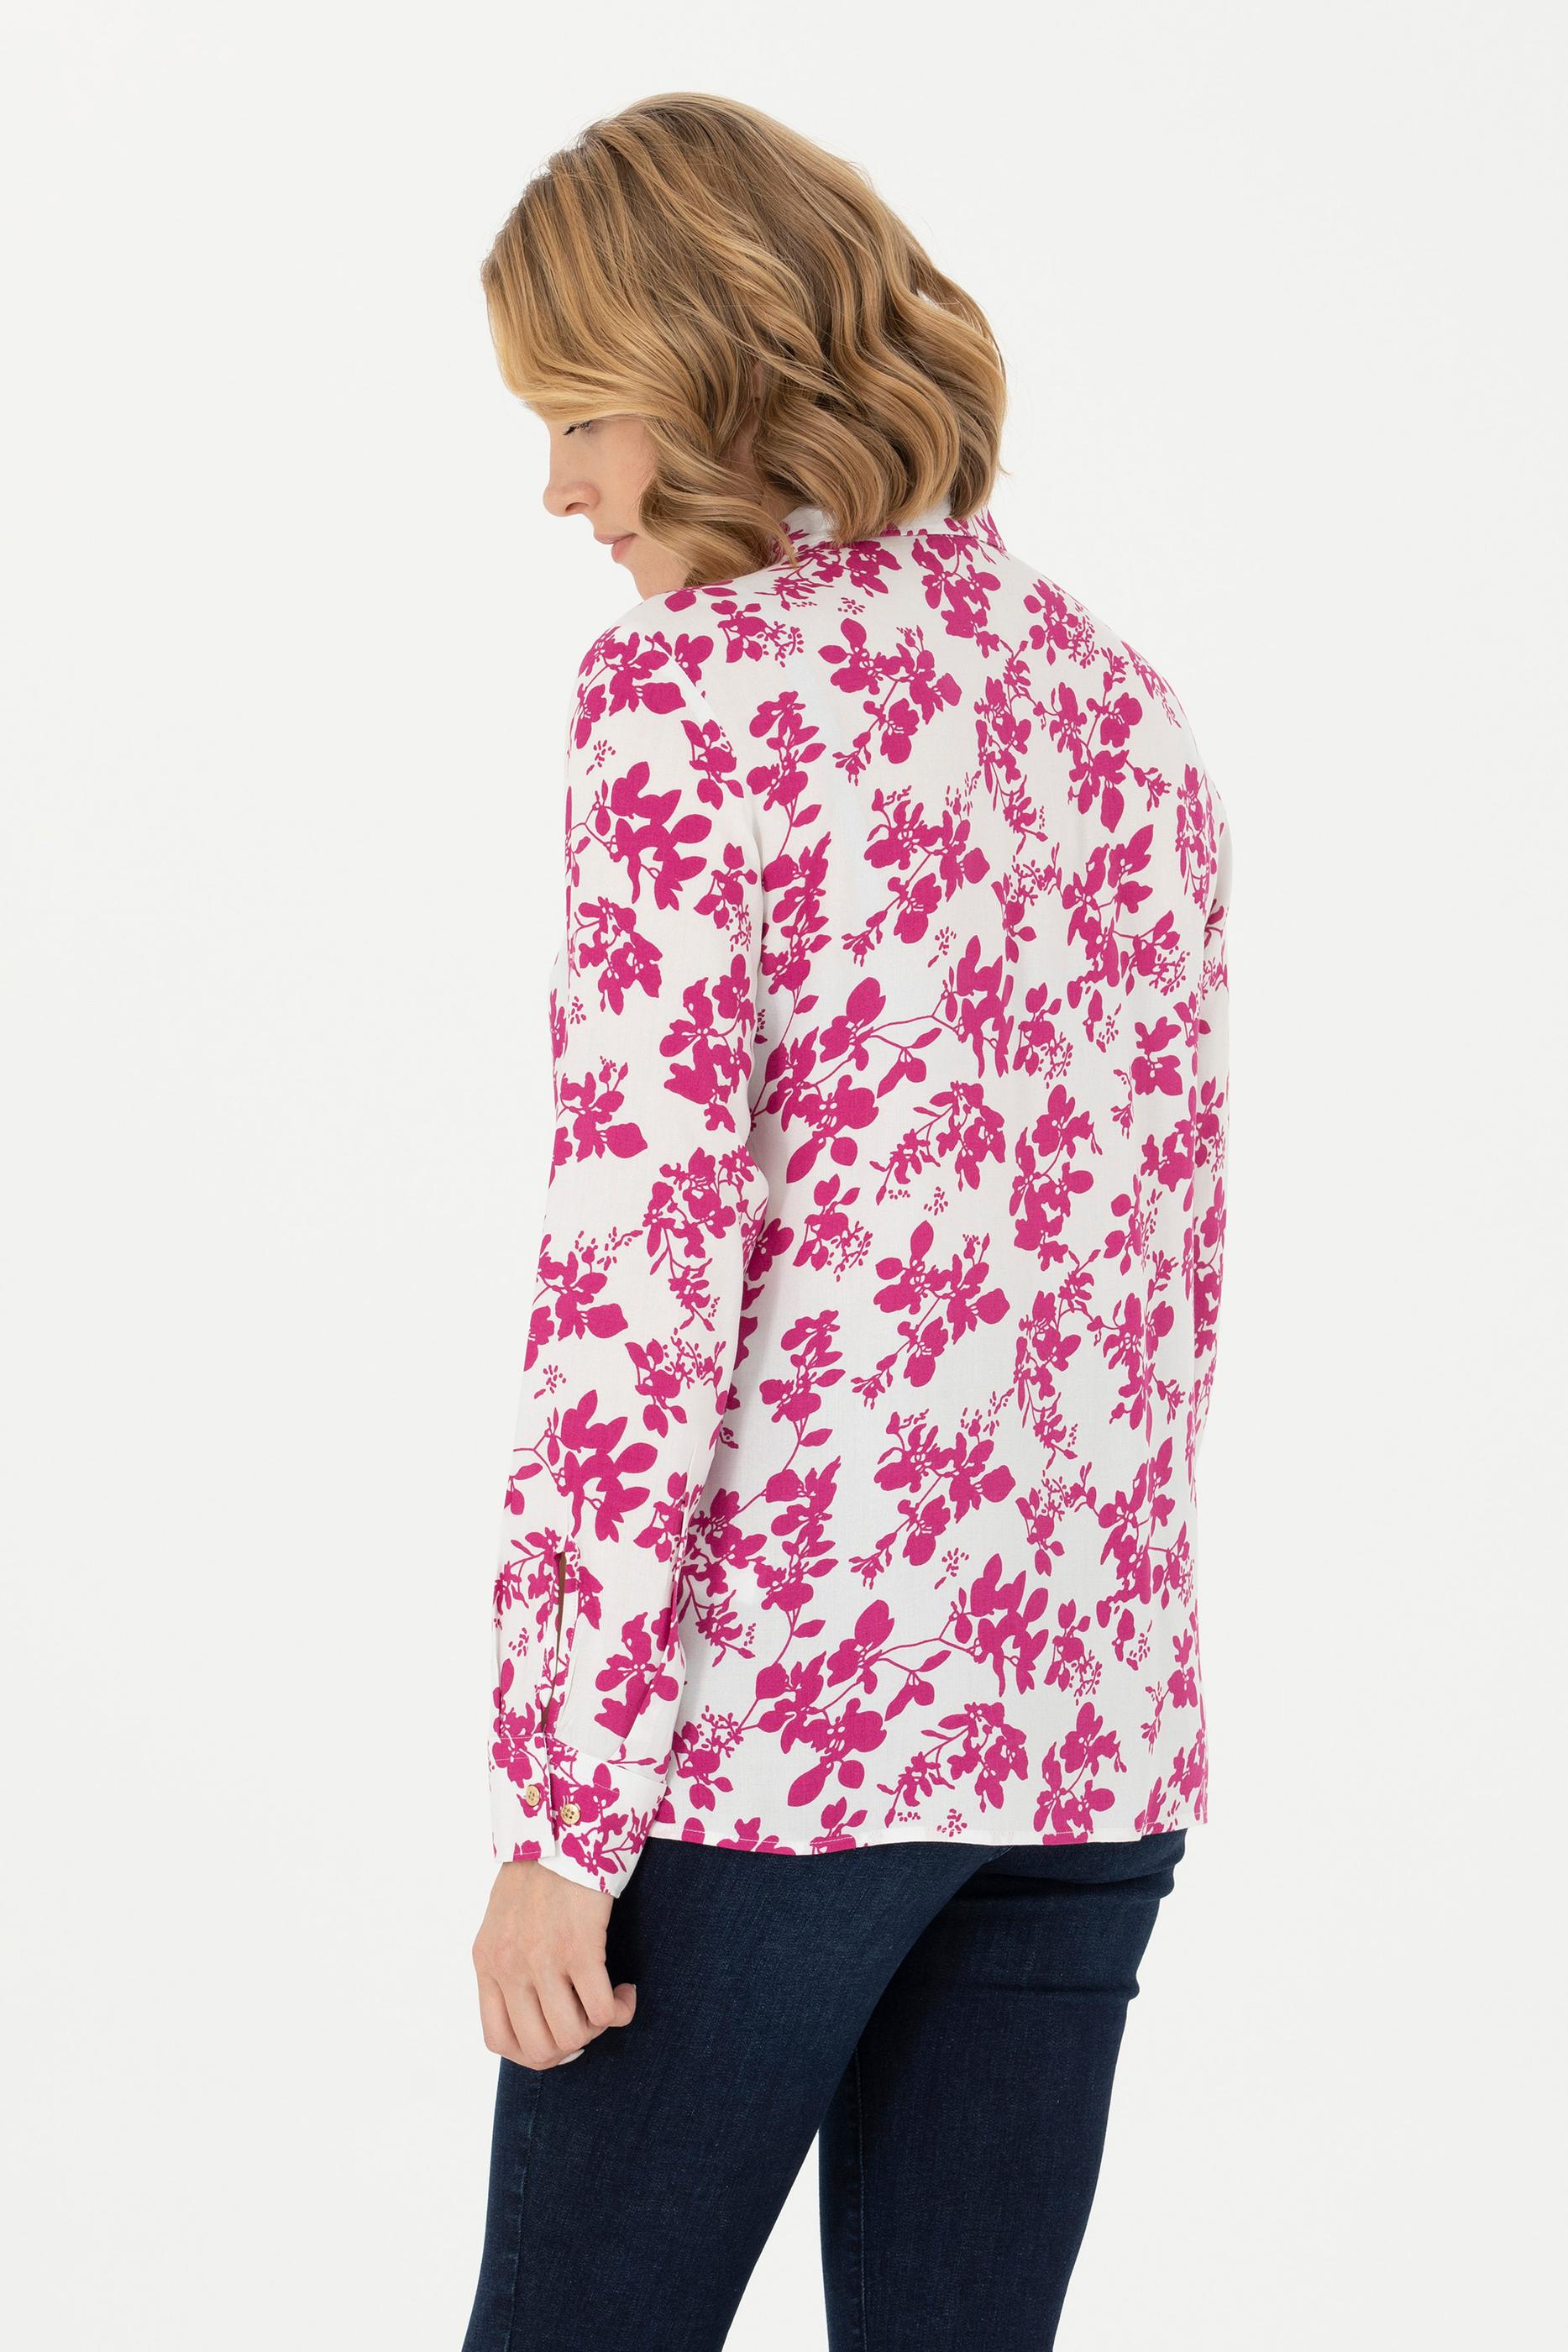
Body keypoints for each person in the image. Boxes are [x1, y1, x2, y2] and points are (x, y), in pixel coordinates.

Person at [462, 92, 1232, 2352]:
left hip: (768, 1754)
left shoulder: (692, 699)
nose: (560, 492)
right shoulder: (1117, 706)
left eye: (578, 416)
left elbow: (636, 1285)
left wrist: (560, 1810)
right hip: (1082, 1741)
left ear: (709, 375)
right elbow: (1168, 1263)